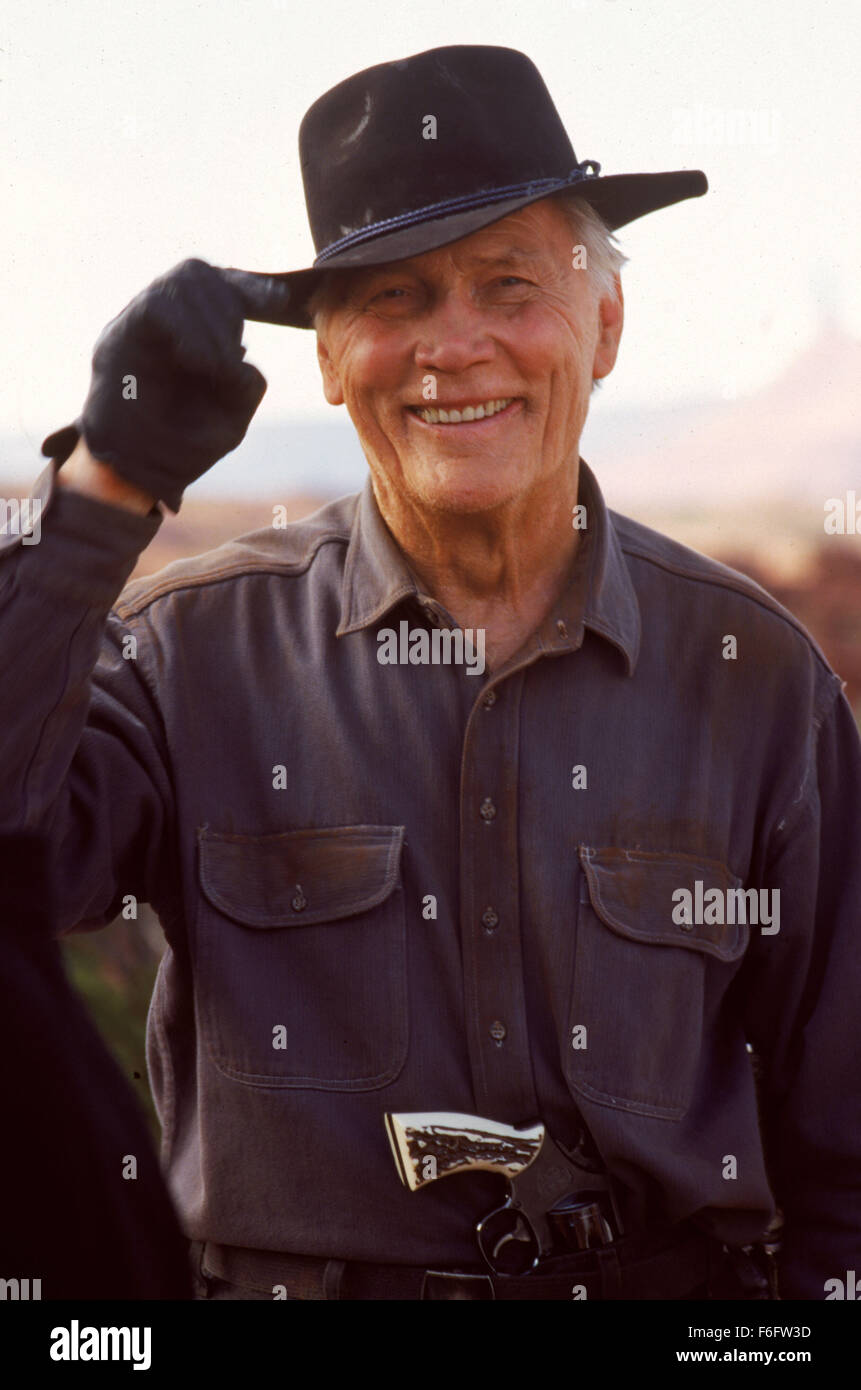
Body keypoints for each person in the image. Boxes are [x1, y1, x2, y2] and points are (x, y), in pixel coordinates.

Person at [2, 44, 859, 1301]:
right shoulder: (188, 651)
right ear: (329, 359)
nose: (452, 349)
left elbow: (848, 1151)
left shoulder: (759, 677)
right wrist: (102, 492)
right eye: (394, 299)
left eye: (509, 284)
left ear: (604, 324)